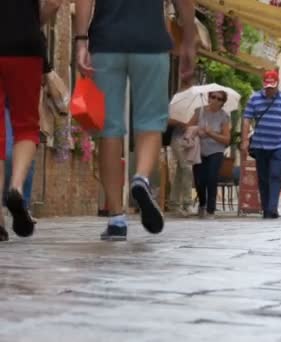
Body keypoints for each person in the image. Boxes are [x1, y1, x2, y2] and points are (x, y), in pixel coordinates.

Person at [75, 0, 196, 241]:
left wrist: (80, 41)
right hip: (151, 44)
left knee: (109, 130)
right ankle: (140, 178)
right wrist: (189, 41)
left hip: (106, 44)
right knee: (150, 123)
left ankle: (116, 219)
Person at [0, 0, 63, 241]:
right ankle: (16, 188)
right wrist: (32, 21)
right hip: (25, 46)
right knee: (26, 126)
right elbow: (54, 3)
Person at [241, 70, 281, 219]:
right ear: (264, 84)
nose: (269, 89)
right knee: (263, 177)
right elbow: (247, 119)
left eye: (272, 86)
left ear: (277, 84)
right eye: (267, 86)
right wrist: (245, 140)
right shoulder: (254, 99)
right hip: (260, 144)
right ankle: (266, 207)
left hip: (280, 144)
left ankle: (272, 207)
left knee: (275, 175)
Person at [192, 91, 231, 219]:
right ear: (208, 98)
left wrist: (211, 134)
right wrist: (197, 131)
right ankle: (202, 204)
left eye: (219, 99)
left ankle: (210, 210)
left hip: (216, 151)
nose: (215, 100)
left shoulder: (224, 116)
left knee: (212, 178)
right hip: (199, 151)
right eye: (213, 97)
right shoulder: (199, 111)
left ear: (222, 103)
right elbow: (188, 127)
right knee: (199, 180)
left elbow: (226, 140)